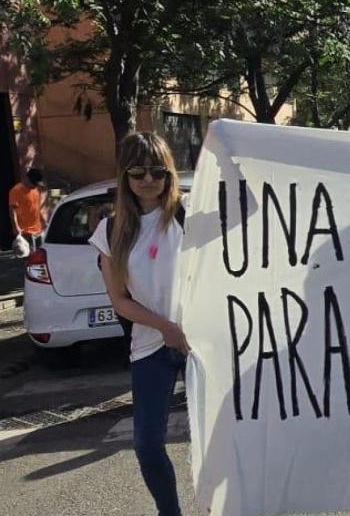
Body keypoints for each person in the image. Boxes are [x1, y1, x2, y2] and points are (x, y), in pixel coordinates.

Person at [91, 133, 189, 516]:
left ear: (169, 174)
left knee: (230, 433)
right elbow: (119, 300)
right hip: (152, 347)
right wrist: (166, 326)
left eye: (158, 171)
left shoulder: (188, 215)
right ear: (124, 176)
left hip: (201, 343)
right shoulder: (111, 230)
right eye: (137, 172)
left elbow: (250, 211)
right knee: (147, 444)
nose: (148, 180)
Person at [8, 168, 46, 250]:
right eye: (33, 183)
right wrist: (16, 227)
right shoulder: (16, 191)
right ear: (27, 179)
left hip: (38, 230)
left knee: (41, 255)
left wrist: (43, 221)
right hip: (26, 231)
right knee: (31, 257)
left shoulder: (36, 190)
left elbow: (36, 208)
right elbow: (12, 211)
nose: (35, 186)